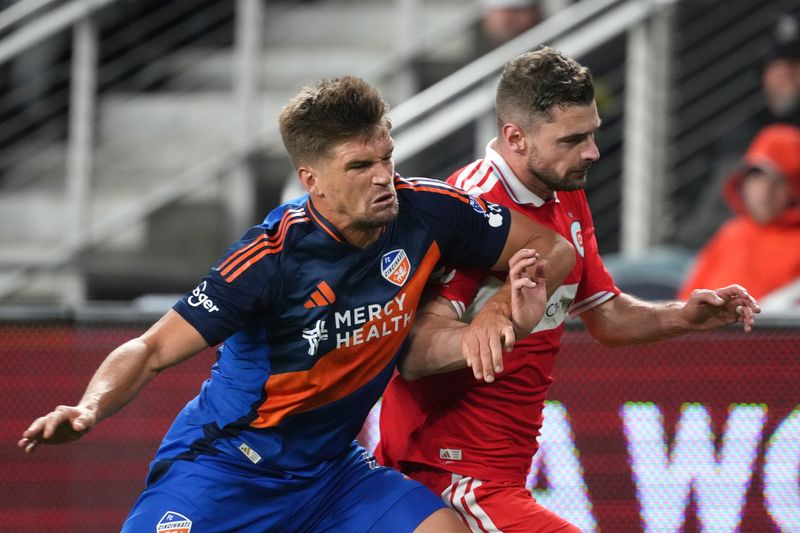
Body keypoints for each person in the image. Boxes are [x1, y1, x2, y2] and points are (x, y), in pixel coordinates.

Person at [17, 76, 576, 532]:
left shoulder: (427, 211)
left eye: (386, 156)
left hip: (332, 474)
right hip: (228, 469)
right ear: (313, 180)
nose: (384, 177)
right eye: (360, 166)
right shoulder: (269, 259)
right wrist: (88, 410)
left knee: (443, 531)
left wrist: (502, 311)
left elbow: (552, 246)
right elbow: (151, 349)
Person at [375, 48, 760, 533]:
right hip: (447, 473)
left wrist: (685, 315)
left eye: (593, 132)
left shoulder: (565, 190)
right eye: (573, 138)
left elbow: (606, 315)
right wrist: (495, 324)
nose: (592, 151)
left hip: (500, 474)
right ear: (515, 137)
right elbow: (412, 352)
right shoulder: (471, 208)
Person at [675, 9, 800, 249]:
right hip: (697, 253)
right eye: (776, 64)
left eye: (794, 64)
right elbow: (695, 207)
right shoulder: (737, 132)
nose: (783, 74)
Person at [678, 124, 800, 301]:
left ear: (794, 189)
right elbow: (686, 303)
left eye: (779, 180)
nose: (765, 190)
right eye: (757, 176)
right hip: (712, 329)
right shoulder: (730, 235)